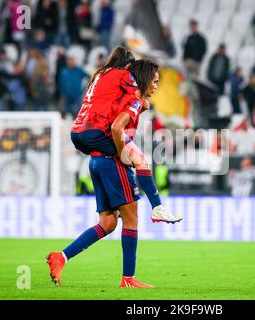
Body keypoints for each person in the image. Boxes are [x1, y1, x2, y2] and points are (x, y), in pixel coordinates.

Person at [47, 60, 177, 289]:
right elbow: (118, 127)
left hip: (96, 161)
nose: (156, 86)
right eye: (154, 81)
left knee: (107, 223)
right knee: (132, 216)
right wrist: (122, 153)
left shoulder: (122, 96)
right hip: (112, 162)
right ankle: (128, 278)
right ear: (145, 79)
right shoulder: (134, 99)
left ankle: (61, 257)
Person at [70, 47, 181, 223]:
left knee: (107, 223)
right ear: (128, 66)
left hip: (78, 132)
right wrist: (122, 153)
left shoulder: (99, 75)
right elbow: (138, 102)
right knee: (138, 160)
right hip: (99, 132)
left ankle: (63, 253)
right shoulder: (123, 76)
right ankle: (157, 207)